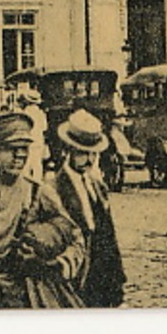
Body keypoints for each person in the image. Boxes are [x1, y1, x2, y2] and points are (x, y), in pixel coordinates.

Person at [0, 111, 85, 309]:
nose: (20, 156)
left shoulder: (38, 192)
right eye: (12, 149)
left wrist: (51, 265)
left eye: (25, 149)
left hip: (27, 297)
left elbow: (76, 240)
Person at [53, 111, 125, 308]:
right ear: (68, 150)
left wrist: (117, 279)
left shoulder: (96, 185)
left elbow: (109, 234)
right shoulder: (56, 188)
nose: (90, 159)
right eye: (83, 153)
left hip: (101, 275)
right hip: (77, 279)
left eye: (94, 153)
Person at [19, 91, 48, 181]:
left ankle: (25, 181)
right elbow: (44, 128)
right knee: (37, 163)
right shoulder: (41, 113)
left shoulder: (25, 112)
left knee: (27, 162)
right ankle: (37, 181)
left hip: (29, 139)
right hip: (39, 140)